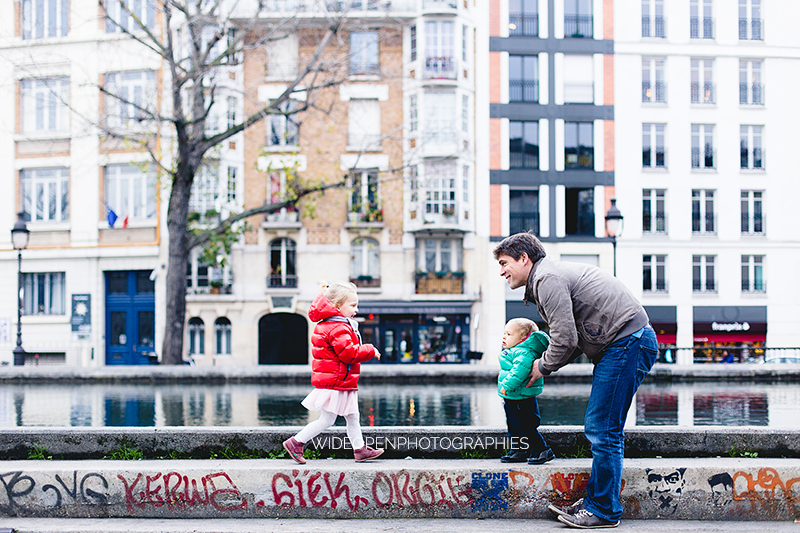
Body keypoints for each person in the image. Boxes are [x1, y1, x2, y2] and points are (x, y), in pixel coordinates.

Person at [494, 232, 658, 529]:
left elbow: (566, 339)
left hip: (627, 342)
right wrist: (544, 365)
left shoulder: (546, 279)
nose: (502, 271)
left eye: (505, 263)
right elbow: (571, 341)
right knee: (604, 427)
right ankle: (598, 499)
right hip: (625, 342)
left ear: (524, 258)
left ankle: (604, 510)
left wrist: (542, 368)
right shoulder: (547, 277)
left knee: (602, 428)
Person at [283, 281, 384, 464]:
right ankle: (296, 442)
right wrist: (370, 349)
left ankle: (359, 449)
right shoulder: (338, 327)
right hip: (337, 381)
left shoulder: (333, 324)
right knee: (328, 420)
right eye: (352, 305)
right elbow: (349, 354)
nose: (356, 309)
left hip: (339, 380)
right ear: (337, 306)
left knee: (353, 416)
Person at [497, 317, 555, 465]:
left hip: (521, 397)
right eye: (504, 333)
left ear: (524, 338)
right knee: (513, 425)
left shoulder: (524, 353)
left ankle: (542, 450)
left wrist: (507, 386)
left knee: (526, 425)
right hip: (513, 397)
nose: (504, 337)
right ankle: (519, 450)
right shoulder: (514, 351)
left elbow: (519, 372)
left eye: (509, 334)